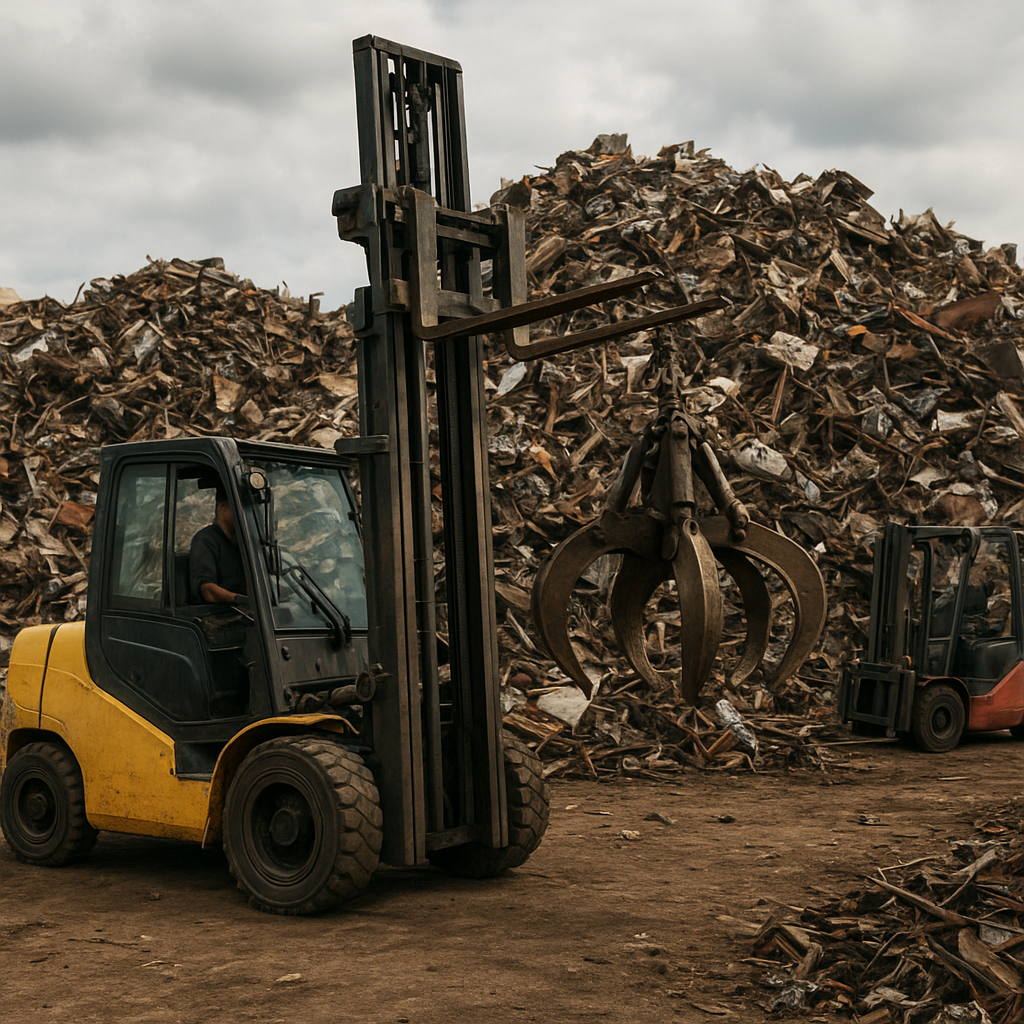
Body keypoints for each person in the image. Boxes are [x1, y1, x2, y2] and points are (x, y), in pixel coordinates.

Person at [189, 484, 248, 605]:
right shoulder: (205, 540)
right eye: (240, 508)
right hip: (218, 614)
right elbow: (208, 591)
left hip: (247, 613)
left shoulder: (245, 542)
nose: (245, 516)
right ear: (222, 508)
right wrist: (241, 600)